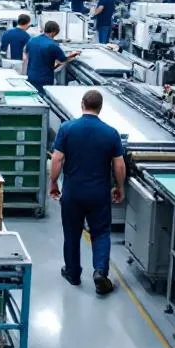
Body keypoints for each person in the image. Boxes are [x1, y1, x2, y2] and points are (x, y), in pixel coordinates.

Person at [49, 89, 126, 296]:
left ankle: (73, 273)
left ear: (82, 104)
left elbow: (57, 159)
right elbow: (119, 165)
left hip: (73, 192)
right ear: (100, 108)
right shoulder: (111, 133)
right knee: (100, 233)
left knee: (72, 232)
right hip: (99, 194)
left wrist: (53, 183)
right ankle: (100, 271)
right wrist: (120, 187)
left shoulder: (67, 128)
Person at [23, 20, 79, 90]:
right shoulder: (53, 45)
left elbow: (26, 53)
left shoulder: (32, 40)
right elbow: (61, 61)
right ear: (53, 32)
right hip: (44, 79)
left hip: (31, 76)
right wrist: (73, 55)